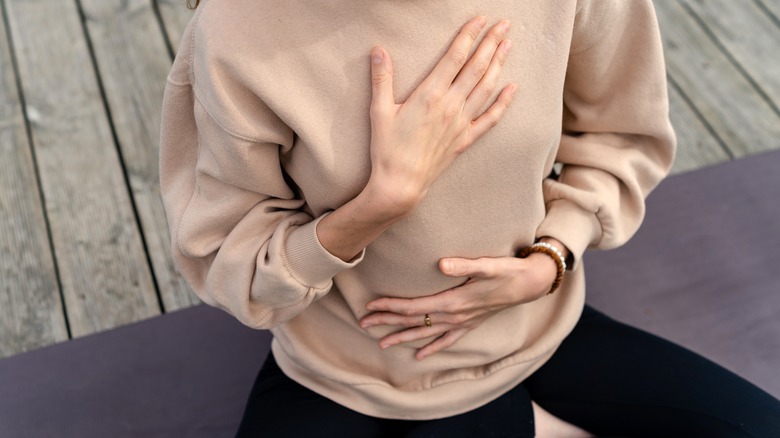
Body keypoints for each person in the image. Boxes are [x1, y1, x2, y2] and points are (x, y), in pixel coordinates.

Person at [160, 0, 780, 436]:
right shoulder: (236, 28)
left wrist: (550, 259)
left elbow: (620, 138)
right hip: (344, 367)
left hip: (535, 327)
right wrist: (379, 205)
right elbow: (228, 261)